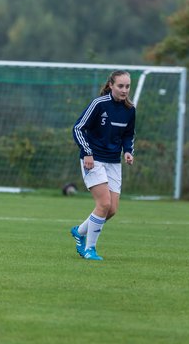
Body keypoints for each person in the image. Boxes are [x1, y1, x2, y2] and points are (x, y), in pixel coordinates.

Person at [70, 70, 136, 260]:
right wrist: (87, 153)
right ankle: (90, 249)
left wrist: (128, 151)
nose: (124, 90)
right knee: (104, 203)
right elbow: (78, 128)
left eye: (127, 86)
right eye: (120, 86)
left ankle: (80, 231)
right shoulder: (99, 104)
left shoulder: (130, 110)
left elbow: (128, 135)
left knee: (112, 209)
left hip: (113, 162)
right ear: (111, 85)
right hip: (93, 160)